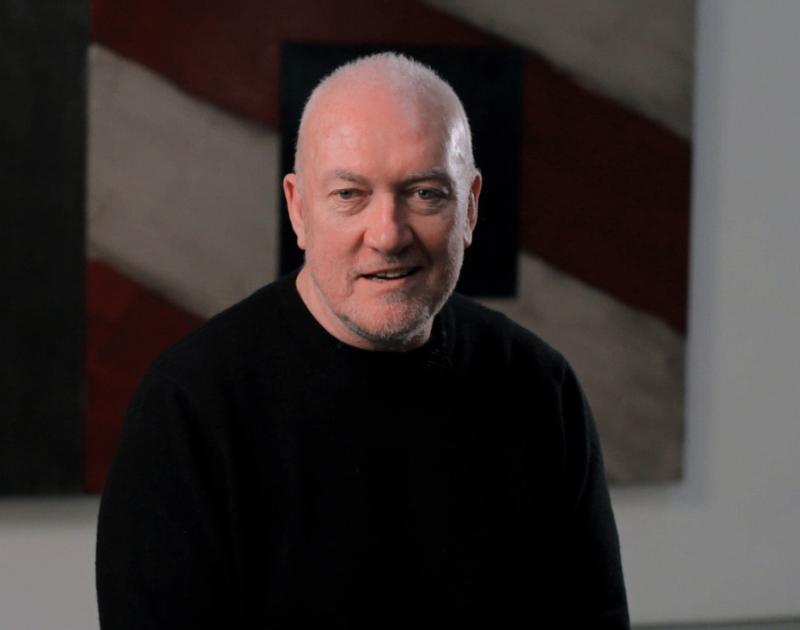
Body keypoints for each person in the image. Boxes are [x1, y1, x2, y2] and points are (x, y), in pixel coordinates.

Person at [96, 52, 629, 628]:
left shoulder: (540, 390)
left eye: (425, 193)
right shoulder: (189, 410)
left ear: (471, 207)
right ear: (299, 209)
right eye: (350, 195)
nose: (388, 235)